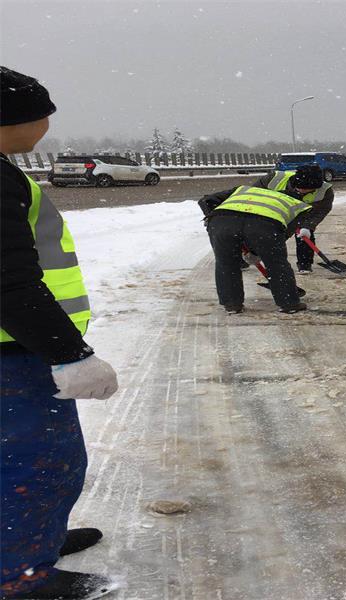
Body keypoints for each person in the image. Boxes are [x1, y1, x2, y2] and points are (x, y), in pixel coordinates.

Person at [1, 67, 119, 600]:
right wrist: (71, 354)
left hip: (14, 342)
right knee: (39, 465)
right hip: (12, 351)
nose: (47, 124)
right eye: (42, 114)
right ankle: (20, 577)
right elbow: (8, 280)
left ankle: (29, 539)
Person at [199, 164, 333, 274]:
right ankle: (242, 260)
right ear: (295, 182)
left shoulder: (325, 191)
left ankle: (304, 265)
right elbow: (252, 198)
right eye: (301, 188)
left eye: (309, 190)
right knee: (249, 231)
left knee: (304, 234)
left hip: (301, 213)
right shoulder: (273, 179)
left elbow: (320, 211)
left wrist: (308, 226)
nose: (303, 191)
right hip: (270, 213)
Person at [201, 183, 313, 314]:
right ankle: (289, 303)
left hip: (221, 222)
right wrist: (257, 251)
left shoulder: (246, 190)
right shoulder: (298, 205)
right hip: (264, 225)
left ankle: (232, 304)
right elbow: (283, 234)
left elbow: (206, 200)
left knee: (226, 263)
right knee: (276, 264)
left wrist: (212, 217)